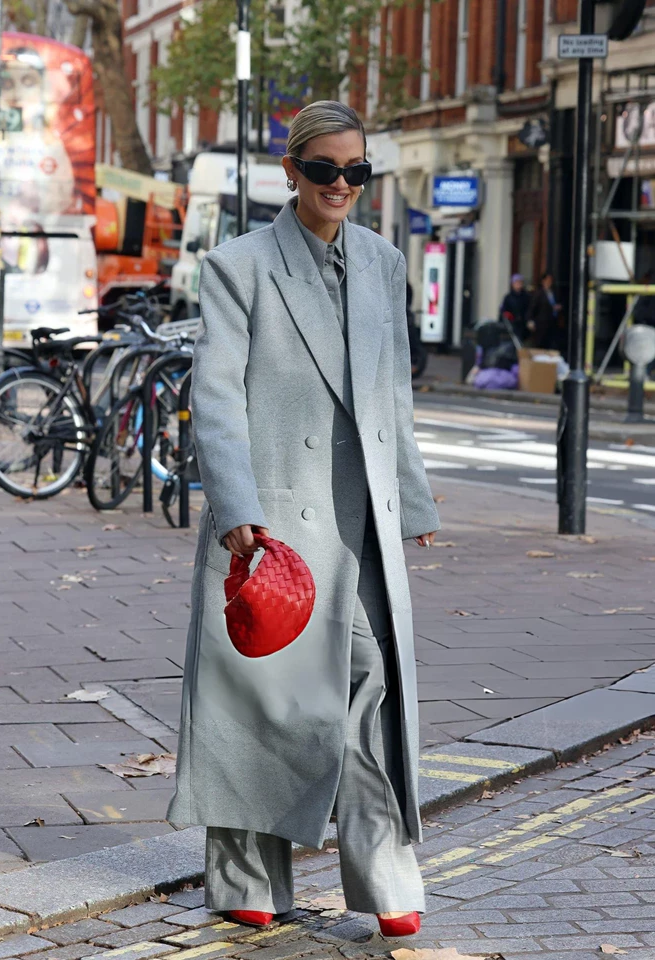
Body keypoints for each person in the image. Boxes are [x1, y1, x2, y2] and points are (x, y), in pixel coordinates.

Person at [167, 100, 440, 938]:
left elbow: (392, 394)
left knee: (366, 686)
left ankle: (384, 870)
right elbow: (214, 394)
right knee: (265, 702)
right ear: (290, 171)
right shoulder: (239, 265)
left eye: (355, 171)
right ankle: (247, 876)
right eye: (323, 169)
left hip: (358, 523)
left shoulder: (383, 263)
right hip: (274, 523)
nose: (340, 186)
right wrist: (236, 507)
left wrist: (414, 498)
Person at [526, 272, 561, 349]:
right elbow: (532, 307)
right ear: (543, 281)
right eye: (547, 281)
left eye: (550, 281)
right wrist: (530, 320)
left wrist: (558, 307)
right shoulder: (539, 293)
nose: (549, 283)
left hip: (552, 321)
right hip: (541, 323)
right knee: (540, 344)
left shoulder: (553, 292)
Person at [499, 273, 530, 342]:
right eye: (516, 282)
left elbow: (529, 310)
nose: (518, 284)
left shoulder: (526, 297)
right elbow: (503, 311)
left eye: (520, 282)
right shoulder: (508, 297)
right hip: (511, 325)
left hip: (523, 325)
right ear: (512, 284)